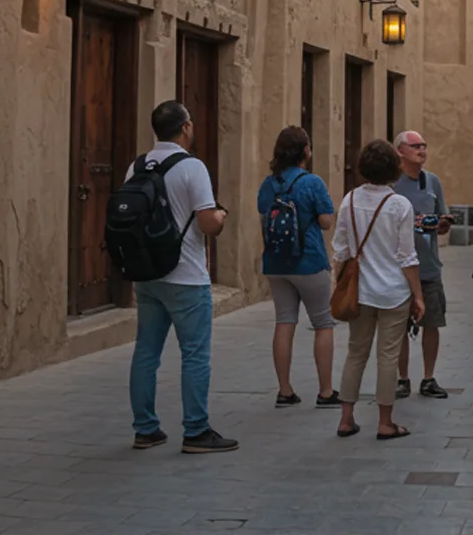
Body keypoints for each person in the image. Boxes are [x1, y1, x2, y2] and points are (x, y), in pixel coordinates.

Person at [129, 100, 238, 453]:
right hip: (186, 275)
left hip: (148, 274)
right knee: (194, 354)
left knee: (146, 352)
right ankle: (196, 430)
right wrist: (221, 217)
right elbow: (207, 224)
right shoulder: (192, 167)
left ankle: (145, 429)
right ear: (186, 127)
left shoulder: (137, 166)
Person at [330, 139, 425, 440]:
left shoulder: (350, 200)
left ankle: (346, 418)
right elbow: (407, 257)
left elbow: (341, 249)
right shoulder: (400, 205)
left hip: (360, 291)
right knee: (388, 356)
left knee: (356, 352)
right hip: (393, 292)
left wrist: (338, 283)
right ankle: (385, 422)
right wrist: (418, 295)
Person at [257, 126, 338, 408]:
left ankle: (285, 390)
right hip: (309, 261)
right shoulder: (312, 182)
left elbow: (263, 217)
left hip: (276, 262)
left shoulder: (268, 184)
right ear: (305, 151)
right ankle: (326, 391)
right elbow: (326, 221)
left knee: (284, 321)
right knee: (323, 323)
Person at [391, 130, 453, 400]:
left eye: (424, 146)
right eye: (416, 146)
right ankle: (402, 378)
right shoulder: (392, 184)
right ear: (400, 151)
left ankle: (428, 378)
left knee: (432, 322)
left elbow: (442, 216)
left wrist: (442, 223)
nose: (422, 150)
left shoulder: (432, 182)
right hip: (399, 268)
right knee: (399, 325)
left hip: (428, 265)